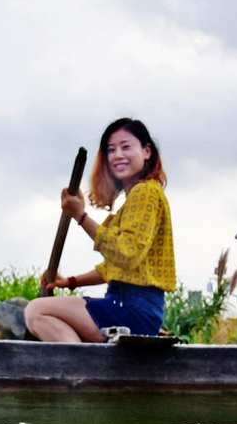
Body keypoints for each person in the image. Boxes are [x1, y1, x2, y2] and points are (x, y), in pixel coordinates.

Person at [26, 117, 177, 343]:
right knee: (49, 315)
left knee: (37, 311)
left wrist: (80, 216)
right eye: (111, 150)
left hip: (131, 309)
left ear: (147, 152)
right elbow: (115, 268)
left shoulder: (145, 193)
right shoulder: (136, 199)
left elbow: (125, 253)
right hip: (131, 307)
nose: (117, 155)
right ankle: (81, 367)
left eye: (126, 147)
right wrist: (71, 282)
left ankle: (79, 372)